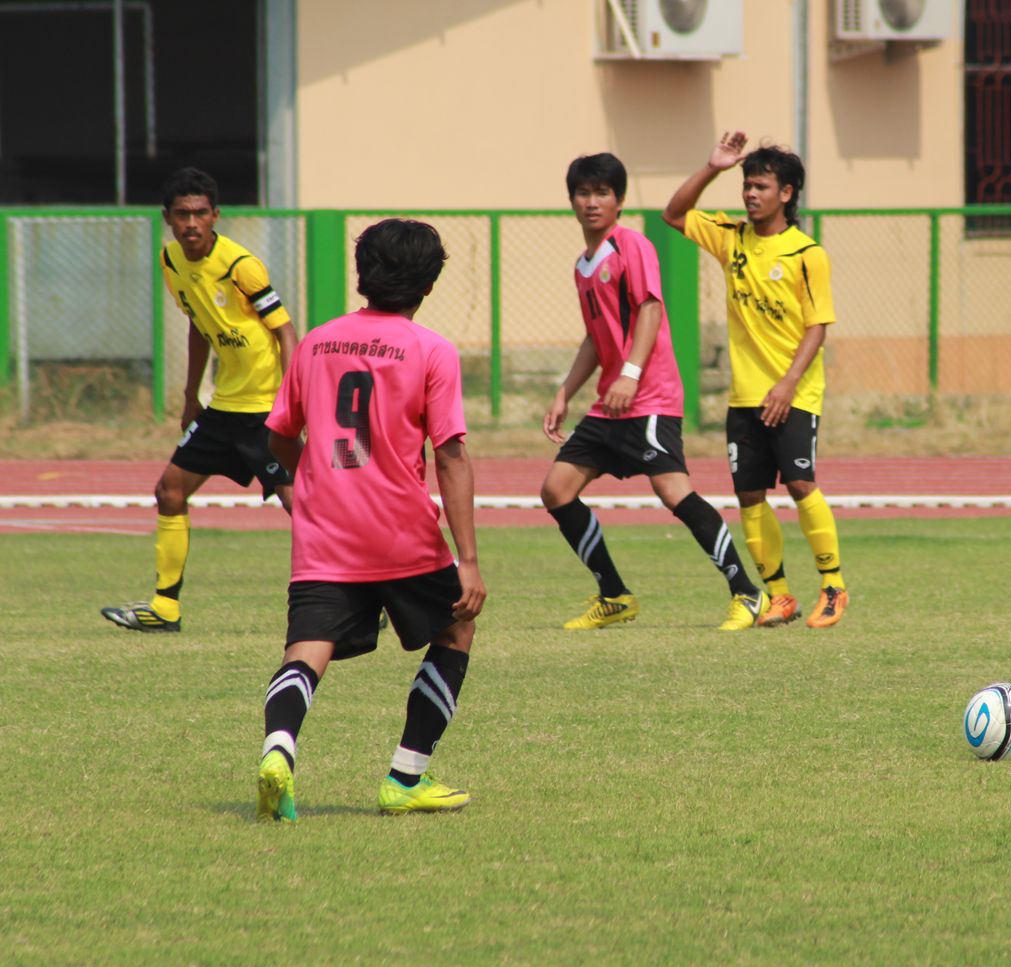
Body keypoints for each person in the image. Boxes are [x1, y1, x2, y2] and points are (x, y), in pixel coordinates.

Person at [254, 218, 486, 821]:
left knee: (306, 650)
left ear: (362, 275)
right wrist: (469, 560)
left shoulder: (316, 342)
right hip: (400, 530)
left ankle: (278, 749)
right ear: (428, 284)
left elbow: (278, 437)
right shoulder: (431, 350)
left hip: (325, 532)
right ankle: (405, 778)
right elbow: (451, 456)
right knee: (456, 628)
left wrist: (312, 484)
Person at [543, 152, 768, 631]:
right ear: (572, 200)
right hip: (610, 403)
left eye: (602, 193)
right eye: (583, 193)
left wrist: (630, 373)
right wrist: (565, 392)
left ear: (619, 200)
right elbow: (595, 336)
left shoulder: (632, 245)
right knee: (556, 491)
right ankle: (614, 596)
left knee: (673, 492)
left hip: (649, 396)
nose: (591, 202)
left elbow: (650, 308)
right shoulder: (583, 266)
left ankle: (748, 594)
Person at [663, 132, 848, 629]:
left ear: (786, 193)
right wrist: (713, 167)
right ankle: (780, 595)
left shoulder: (807, 253)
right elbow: (674, 214)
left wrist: (787, 384)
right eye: (747, 185)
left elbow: (817, 326)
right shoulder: (731, 237)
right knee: (749, 496)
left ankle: (833, 585)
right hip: (745, 395)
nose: (750, 193)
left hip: (795, 392)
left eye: (761, 186)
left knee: (800, 483)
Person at [101, 167, 298, 632]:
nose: (191, 223)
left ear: (215, 216)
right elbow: (198, 323)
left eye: (200, 213)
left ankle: (362, 596)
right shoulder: (171, 261)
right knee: (169, 492)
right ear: (167, 217)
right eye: (182, 214)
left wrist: (292, 400)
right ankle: (165, 609)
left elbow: (286, 332)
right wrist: (192, 395)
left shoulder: (240, 265)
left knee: (306, 508)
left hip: (264, 409)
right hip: (223, 408)